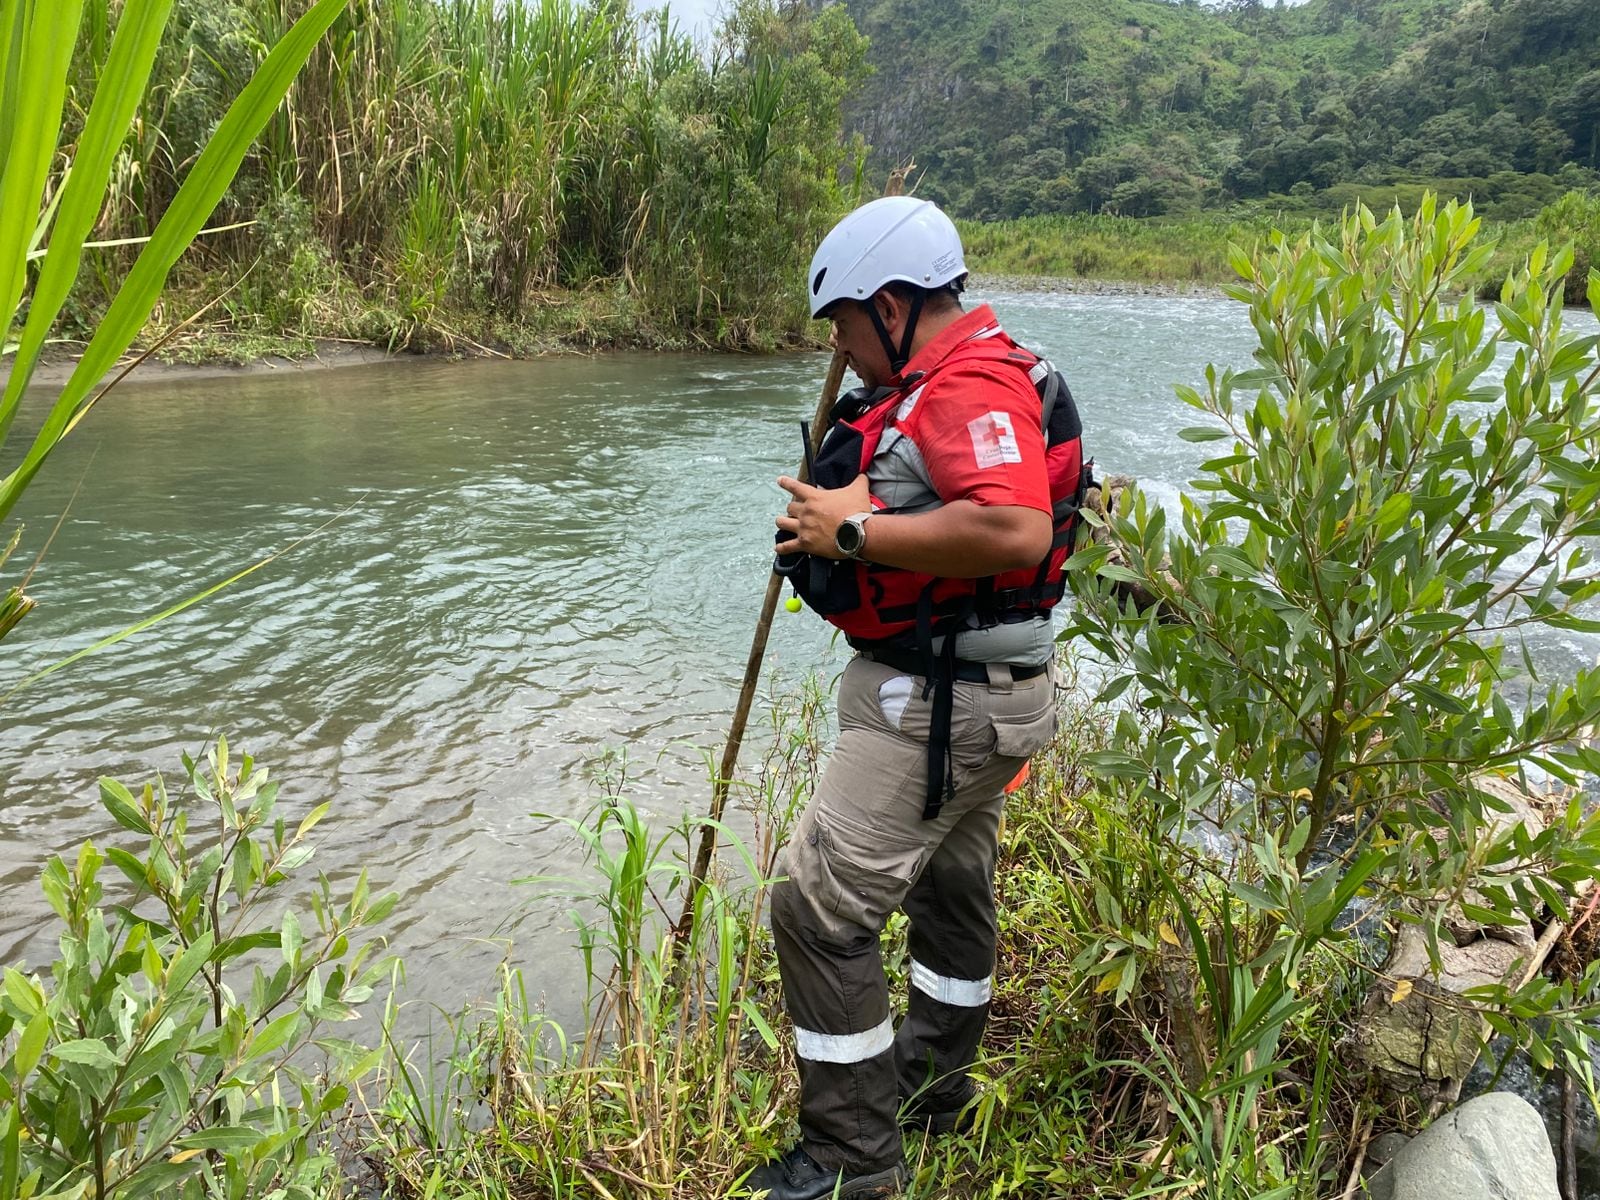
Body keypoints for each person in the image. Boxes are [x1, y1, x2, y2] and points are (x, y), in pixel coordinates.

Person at [743, 196, 1086, 1200]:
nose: (841, 353)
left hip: (940, 709)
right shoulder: (979, 372)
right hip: (988, 694)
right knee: (949, 884)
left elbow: (1014, 529)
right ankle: (937, 1089)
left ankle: (852, 1162)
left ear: (892, 304)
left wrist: (850, 535)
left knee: (814, 908)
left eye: (844, 324)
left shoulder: (964, 385)